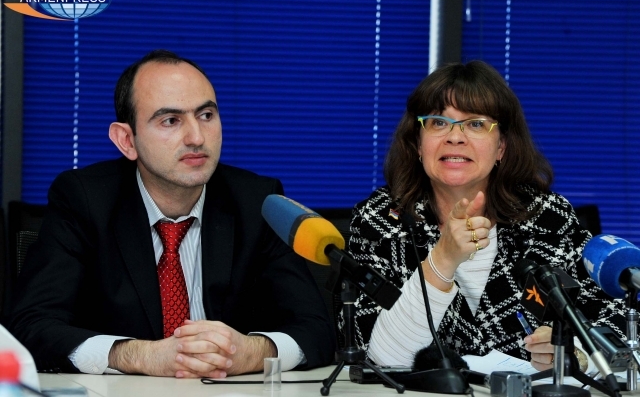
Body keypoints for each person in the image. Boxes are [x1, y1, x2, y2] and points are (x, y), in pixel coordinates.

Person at [8, 49, 335, 378]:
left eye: (206, 115)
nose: (196, 137)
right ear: (126, 140)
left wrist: (249, 352)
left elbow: (317, 328)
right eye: (170, 120)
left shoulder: (257, 202)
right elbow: (30, 325)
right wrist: (140, 356)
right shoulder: (84, 200)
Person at [345, 60, 626, 371]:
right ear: (418, 144)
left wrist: (576, 354)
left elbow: (622, 324)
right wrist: (441, 260)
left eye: (476, 124)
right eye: (438, 122)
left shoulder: (547, 218)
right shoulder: (381, 221)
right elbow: (377, 357)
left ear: (501, 146)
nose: (455, 137)